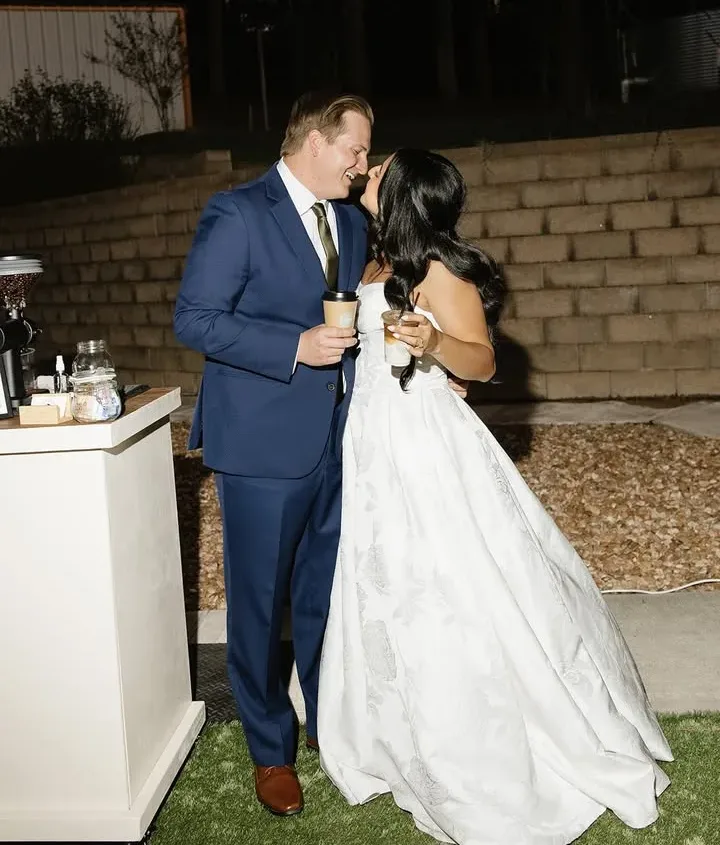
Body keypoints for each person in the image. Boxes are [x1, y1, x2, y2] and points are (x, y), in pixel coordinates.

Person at [317, 148, 673, 845]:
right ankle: (396, 727)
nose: (372, 172)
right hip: (373, 439)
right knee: (386, 577)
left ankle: (480, 738)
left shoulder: (441, 271)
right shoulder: (375, 263)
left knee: (449, 583)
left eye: (383, 168)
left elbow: (482, 359)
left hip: (422, 442)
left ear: (405, 194)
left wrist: (434, 341)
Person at [173, 91, 373, 816]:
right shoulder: (239, 212)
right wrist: (293, 348)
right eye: (354, 149)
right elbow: (194, 319)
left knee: (324, 593)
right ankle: (268, 747)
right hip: (259, 444)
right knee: (258, 605)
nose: (362, 163)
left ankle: (330, 721)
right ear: (314, 142)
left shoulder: (351, 219)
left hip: (335, 440)